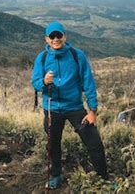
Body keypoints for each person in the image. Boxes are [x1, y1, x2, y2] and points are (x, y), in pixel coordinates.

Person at [31, 21, 108, 189]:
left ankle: (103, 179)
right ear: (46, 39)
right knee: (53, 145)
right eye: (52, 36)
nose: (56, 39)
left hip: (74, 107)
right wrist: (44, 81)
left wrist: (93, 110)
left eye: (59, 35)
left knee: (94, 142)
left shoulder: (76, 55)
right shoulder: (42, 58)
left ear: (64, 36)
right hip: (52, 108)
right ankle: (56, 175)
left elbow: (88, 83)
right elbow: (35, 83)